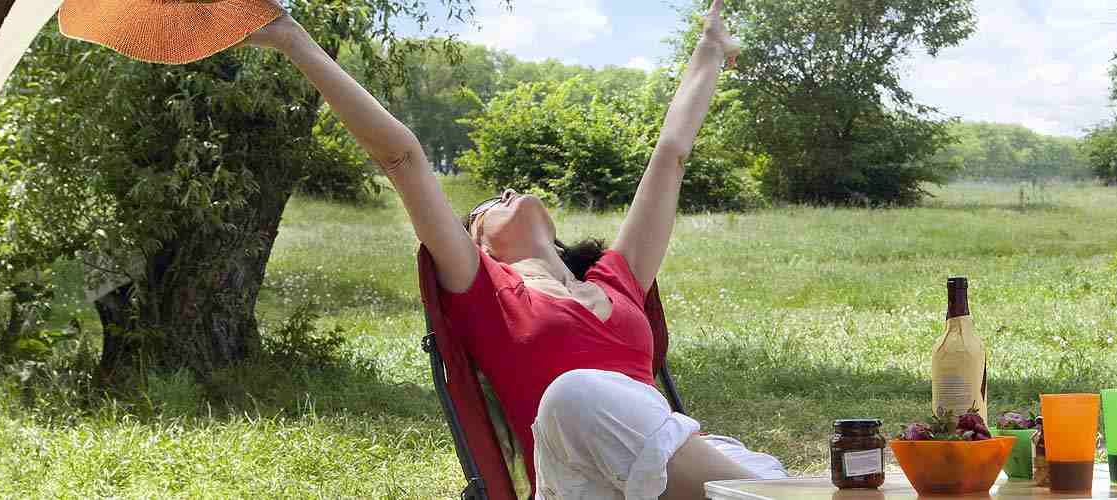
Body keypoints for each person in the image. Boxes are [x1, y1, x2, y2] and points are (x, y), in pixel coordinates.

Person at [237, 1, 781, 498]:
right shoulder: (485, 290)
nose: (506, 194)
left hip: (677, 472)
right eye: (487, 207)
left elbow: (671, 155)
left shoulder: (617, 281)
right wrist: (292, 38)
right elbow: (402, 157)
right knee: (577, 394)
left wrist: (710, 48)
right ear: (477, 245)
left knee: (749, 465)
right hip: (579, 484)